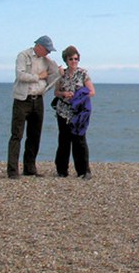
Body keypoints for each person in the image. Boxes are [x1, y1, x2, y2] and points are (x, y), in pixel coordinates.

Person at [7, 35, 61, 178]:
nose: (48, 53)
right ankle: (12, 170)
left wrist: (55, 68)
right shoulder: (23, 56)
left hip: (38, 100)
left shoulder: (46, 60)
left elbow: (54, 73)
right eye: (47, 50)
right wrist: (38, 76)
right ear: (39, 46)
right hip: (22, 99)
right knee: (17, 134)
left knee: (34, 135)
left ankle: (30, 168)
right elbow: (20, 75)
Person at [53, 45, 95, 178]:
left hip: (78, 112)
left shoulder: (83, 74)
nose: (74, 61)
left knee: (79, 140)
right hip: (63, 111)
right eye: (71, 59)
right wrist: (64, 93)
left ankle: (83, 170)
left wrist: (79, 96)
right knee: (64, 141)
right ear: (66, 60)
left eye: (76, 59)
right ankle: (62, 170)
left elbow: (92, 92)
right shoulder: (62, 75)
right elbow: (56, 92)